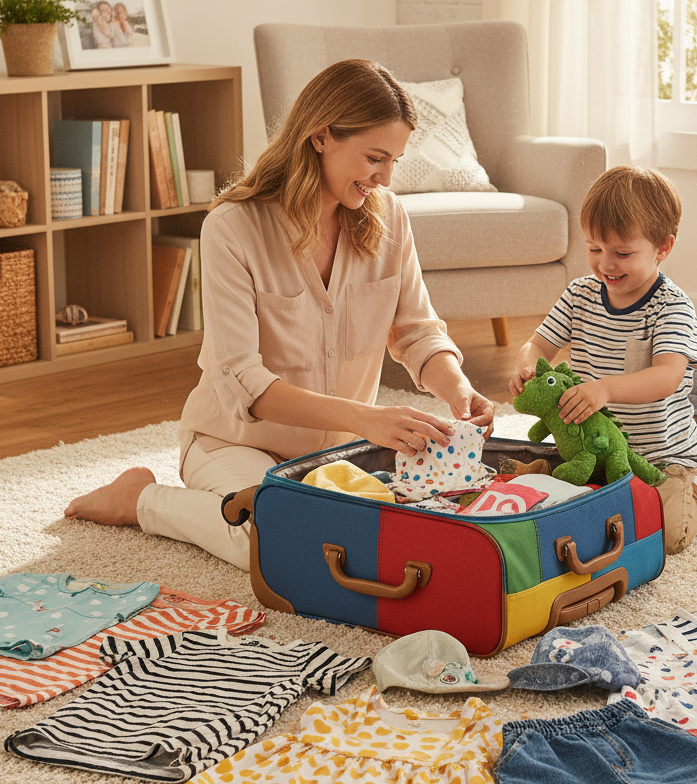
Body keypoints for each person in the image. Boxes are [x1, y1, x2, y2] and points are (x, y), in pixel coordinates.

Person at [65, 59, 496, 571]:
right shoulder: (232, 227)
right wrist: (365, 418)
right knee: (271, 541)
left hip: (339, 454)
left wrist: (459, 390)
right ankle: (139, 500)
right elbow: (244, 383)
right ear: (321, 136)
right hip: (235, 442)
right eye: (375, 158)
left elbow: (417, 332)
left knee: (372, 542)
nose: (385, 178)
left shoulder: (390, 219)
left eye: (394, 161)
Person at [509, 164, 697, 555]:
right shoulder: (579, 295)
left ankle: (691, 489)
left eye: (622, 253)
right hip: (590, 450)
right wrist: (527, 368)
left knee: (666, 537)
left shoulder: (672, 307)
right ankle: (581, 483)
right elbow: (537, 345)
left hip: (660, 461)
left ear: (663, 248)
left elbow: (667, 376)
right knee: (546, 516)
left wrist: (605, 390)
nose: (606, 264)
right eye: (595, 249)